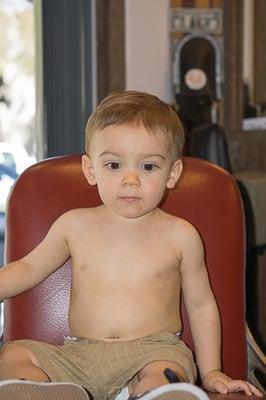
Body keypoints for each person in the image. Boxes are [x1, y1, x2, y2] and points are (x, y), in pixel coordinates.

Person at [0, 91, 262, 400]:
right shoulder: (74, 224)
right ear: (90, 169)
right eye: (114, 165)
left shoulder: (181, 235)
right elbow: (28, 269)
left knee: (167, 368)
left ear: (172, 174)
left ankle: (155, 393)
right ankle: (47, 393)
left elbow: (201, 305)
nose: (131, 180)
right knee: (14, 355)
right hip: (79, 356)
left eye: (148, 167)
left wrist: (211, 372)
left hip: (153, 352)